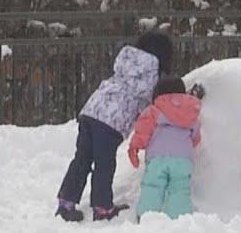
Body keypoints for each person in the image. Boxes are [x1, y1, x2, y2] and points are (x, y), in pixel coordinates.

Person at [56, 31, 173, 222]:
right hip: (111, 122)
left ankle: (66, 202)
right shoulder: (151, 70)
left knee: (82, 159)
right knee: (104, 163)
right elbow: (152, 102)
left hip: (91, 111)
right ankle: (102, 207)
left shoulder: (129, 60)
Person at [127, 76, 202, 219]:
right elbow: (196, 137)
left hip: (157, 158)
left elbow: (142, 131)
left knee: (153, 187)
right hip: (183, 160)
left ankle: (147, 216)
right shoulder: (191, 112)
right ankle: (178, 218)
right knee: (179, 190)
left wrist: (135, 147)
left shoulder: (153, 111)